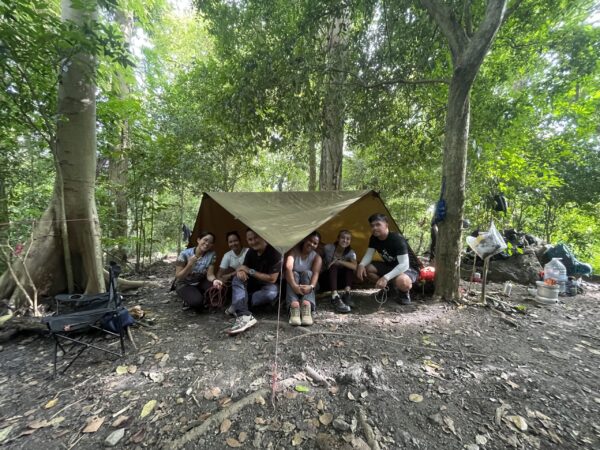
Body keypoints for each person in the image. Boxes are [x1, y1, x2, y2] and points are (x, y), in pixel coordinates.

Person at [356, 213, 419, 305]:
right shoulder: (374, 238)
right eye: (372, 226)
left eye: (378, 224)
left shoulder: (397, 239)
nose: (374, 228)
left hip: (408, 268)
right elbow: (369, 254)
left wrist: (386, 277)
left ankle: (404, 293)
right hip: (390, 266)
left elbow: (404, 264)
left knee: (403, 281)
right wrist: (361, 265)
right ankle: (388, 289)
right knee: (368, 268)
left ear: (386, 225)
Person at [228, 229, 282, 335]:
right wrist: (241, 272)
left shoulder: (275, 252)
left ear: (264, 237)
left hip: (268, 286)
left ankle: (239, 304)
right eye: (250, 239)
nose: (253, 242)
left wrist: (249, 271)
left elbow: (272, 278)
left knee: (271, 293)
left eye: (256, 238)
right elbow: (243, 268)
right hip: (252, 284)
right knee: (237, 278)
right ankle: (244, 316)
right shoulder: (250, 252)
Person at [174, 232, 223, 310]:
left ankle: (197, 294)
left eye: (210, 242)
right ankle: (189, 298)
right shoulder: (184, 254)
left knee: (217, 289)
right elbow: (178, 276)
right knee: (197, 303)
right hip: (184, 283)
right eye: (205, 240)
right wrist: (189, 264)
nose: (207, 243)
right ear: (198, 240)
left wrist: (215, 280)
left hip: (200, 281)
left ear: (212, 245)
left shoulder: (211, 254)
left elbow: (209, 275)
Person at [285, 231, 322, 326]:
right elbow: (288, 268)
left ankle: (306, 305)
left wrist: (311, 286)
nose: (312, 244)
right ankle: (294, 306)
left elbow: (315, 274)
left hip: (308, 285)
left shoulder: (316, 257)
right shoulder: (293, 251)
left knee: (307, 273)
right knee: (293, 273)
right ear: (305, 239)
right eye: (310, 241)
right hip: (295, 285)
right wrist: (294, 286)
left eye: (315, 243)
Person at [322, 230, 357, 313]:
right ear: (338, 238)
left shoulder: (351, 253)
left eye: (348, 239)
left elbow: (355, 266)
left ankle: (347, 294)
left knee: (349, 267)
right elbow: (318, 256)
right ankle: (334, 296)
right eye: (342, 238)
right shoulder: (328, 248)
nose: (345, 240)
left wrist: (339, 261)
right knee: (334, 266)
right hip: (327, 278)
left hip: (340, 282)